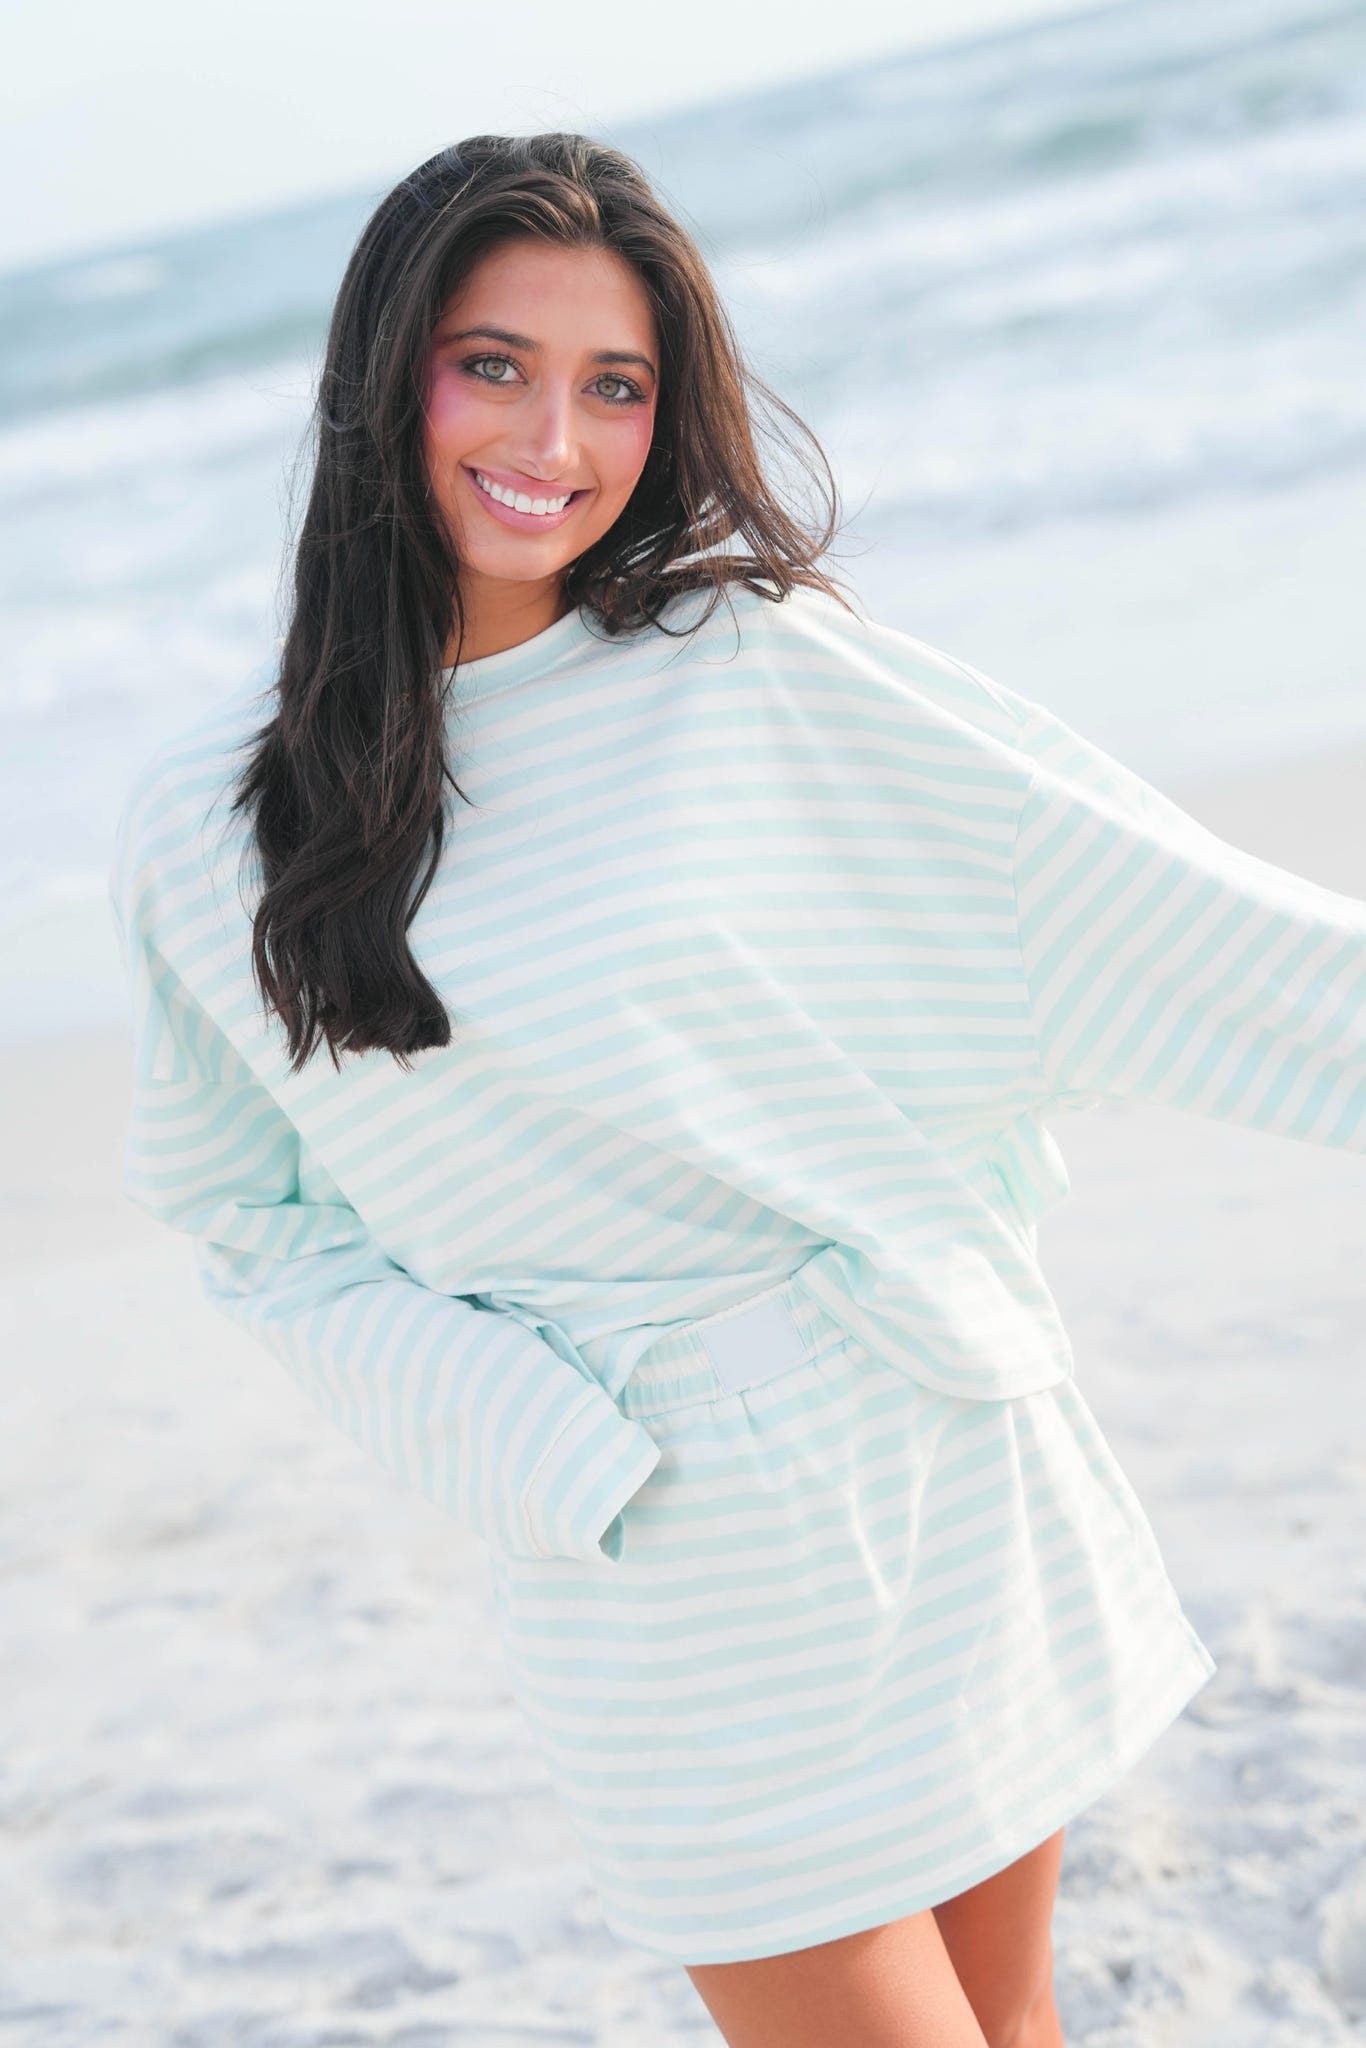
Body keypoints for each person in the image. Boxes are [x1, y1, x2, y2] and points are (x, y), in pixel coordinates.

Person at [106, 134, 1366, 2047]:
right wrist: (520, 1433)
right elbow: (247, 1216)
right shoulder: (211, 828)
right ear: (382, 375)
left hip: (933, 1440)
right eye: (492, 365)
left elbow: (1130, 911)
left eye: (615, 385)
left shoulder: (746, 664)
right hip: (652, 1545)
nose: (555, 440)